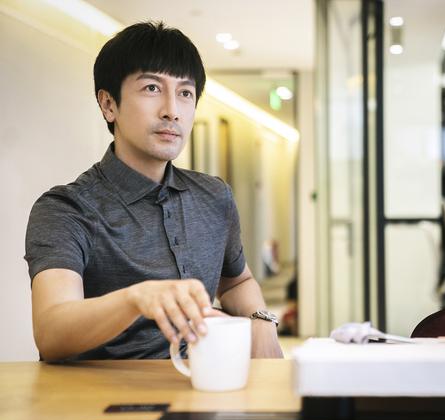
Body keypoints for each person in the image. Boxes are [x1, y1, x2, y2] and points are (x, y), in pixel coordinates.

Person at [24, 22, 283, 361]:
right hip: (102, 390)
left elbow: (236, 281)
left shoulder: (214, 196)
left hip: (202, 380)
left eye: (185, 93)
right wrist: (134, 299)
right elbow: (51, 331)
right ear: (108, 104)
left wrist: (261, 321)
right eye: (151, 88)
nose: (172, 111)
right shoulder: (65, 209)